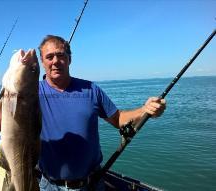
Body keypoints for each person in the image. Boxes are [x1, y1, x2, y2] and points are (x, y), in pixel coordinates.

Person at [36, 35, 166, 191]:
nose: (55, 61)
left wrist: (145, 110)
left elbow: (118, 119)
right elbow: (3, 123)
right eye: (49, 57)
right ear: (42, 62)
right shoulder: (33, 93)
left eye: (61, 55)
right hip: (50, 186)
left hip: (92, 184)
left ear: (69, 59)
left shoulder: (91, 89)